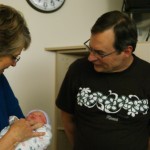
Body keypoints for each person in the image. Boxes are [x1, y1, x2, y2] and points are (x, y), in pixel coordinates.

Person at [56, 10, 150, 150]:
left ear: (126, 51)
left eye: (100, 53)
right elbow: (67, 119)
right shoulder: (78, 69)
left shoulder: (147, 75)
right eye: (91, 48)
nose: (91, 58)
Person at [0, 4, 45, 150]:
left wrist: (32, 124)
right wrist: (13, 136)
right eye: (14, 57)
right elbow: (15, 133)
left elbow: (19, 121)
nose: (14, 64)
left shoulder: (1, 80)